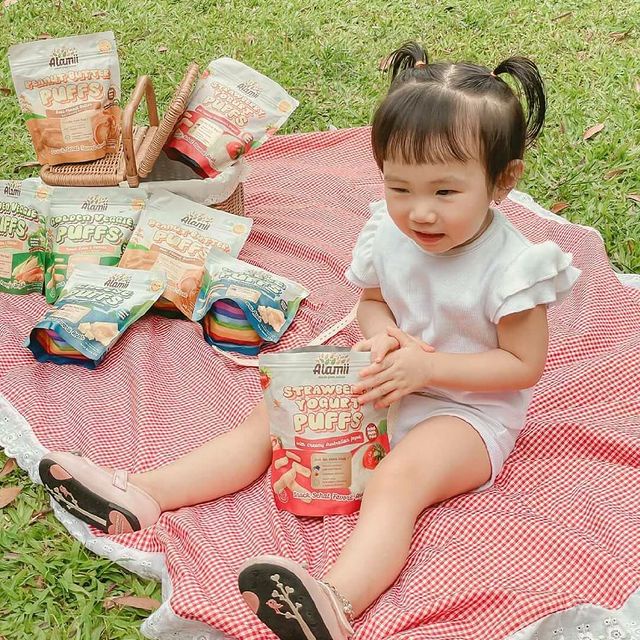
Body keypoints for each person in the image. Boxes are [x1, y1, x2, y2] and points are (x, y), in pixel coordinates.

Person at [39, 41, 580, 640]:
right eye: (400, 188)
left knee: (399, 479)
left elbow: (522, 365)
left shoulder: (514, 268)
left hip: (468, 413)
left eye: (445, 192)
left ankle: (334, 602)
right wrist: (385, 337)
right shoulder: (390, 233)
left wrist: (428, 371)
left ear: (503, 181)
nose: (420, 212)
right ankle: (143, 494)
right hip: (390, 377)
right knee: (274, 418)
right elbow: (372, 304)